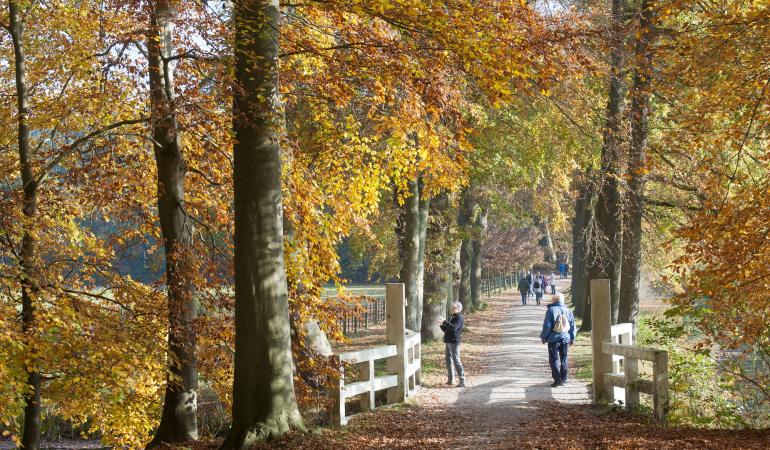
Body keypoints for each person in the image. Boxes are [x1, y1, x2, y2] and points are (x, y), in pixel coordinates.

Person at [540, 293, 576, 387]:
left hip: (553, 339)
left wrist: (544, 337)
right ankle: (563, 379)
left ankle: (557, 380)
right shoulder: (568, 311)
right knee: (564, 358)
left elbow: (547, 326)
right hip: (565, 338)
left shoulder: (551, 310)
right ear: (562, 301)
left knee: (554, 359)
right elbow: (572, 326)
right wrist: (572, 337)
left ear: (554, 301)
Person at [439, 302, 466, 387]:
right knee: (448, 360)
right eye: (452, 307)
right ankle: (451, 379)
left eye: (454, 307)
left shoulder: (459, 317)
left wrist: (445, 321)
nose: (452, 308)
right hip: (448, 341)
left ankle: (462, 381)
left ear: (458, 308)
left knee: (456, 361)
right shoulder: (452, 316)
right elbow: (446, 329)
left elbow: (454, 328)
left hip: (454, 341)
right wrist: (441, 324)